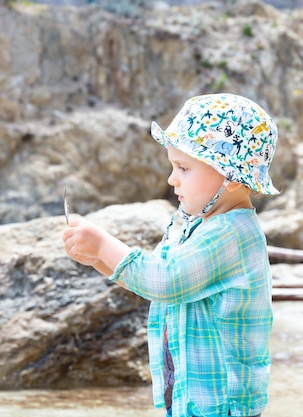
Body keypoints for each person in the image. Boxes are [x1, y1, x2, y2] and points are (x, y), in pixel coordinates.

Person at [62, 93, 278, 417]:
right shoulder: (194, 223)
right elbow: (152, 277)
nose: (171, 179)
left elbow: (166, 281)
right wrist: (99, 259)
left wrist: (105, 243)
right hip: (190, 400)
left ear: (231, 177)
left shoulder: (232, 233)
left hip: (224, 407)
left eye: (183, 168)